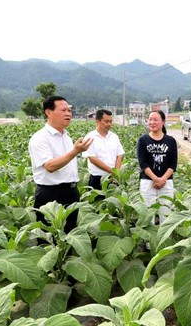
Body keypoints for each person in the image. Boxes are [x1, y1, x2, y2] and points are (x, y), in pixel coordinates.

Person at [28, 96, 93, 232]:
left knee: (69, 233)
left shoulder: (66, 137)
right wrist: (75, 151)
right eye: (63, 110)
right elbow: (50, 166)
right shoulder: (40, 138)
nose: (68, 113)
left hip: (71, 192)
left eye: (69, 110)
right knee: (49, 236)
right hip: (51, 195)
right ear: (48, 112)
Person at [136, 110, 178, 224]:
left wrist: (162, 180)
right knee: (148, 218)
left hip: (166, 183)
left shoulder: (171, 141)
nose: (152, 122)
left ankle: (164, 242)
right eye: (150, 119)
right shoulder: (143, 140)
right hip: (147, 183)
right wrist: (155, 179)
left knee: (166, 217)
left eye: (155, 119)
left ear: (163, 122)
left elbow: (173, 165)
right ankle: (149, 242)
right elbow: (143, 164)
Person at [82, 109, 125, 190]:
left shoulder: (114, 137)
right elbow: (92, 159)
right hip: (97, 179)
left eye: (110, 121)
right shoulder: (90, 137)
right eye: (106, 121)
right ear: (98, 121)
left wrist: (117, 172)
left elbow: (119, 155)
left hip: (113, 179)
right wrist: (112, 172)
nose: (109, 124)